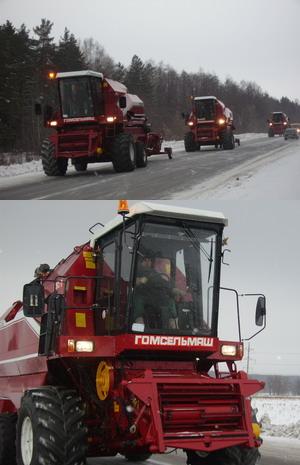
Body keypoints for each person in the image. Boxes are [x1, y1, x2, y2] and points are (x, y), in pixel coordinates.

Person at [133, 253, 177, 329]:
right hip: (141, 295)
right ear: (146, 260)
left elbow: (164, 282)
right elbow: (130, 281)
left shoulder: (152, 272)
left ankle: (174, 326)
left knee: (170, 301)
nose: (151, 263)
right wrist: (140, 280)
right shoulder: (136, 268)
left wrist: (176, 290)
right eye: (151, 261)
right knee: (138, 301)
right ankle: (138, 326)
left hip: (154, 296)